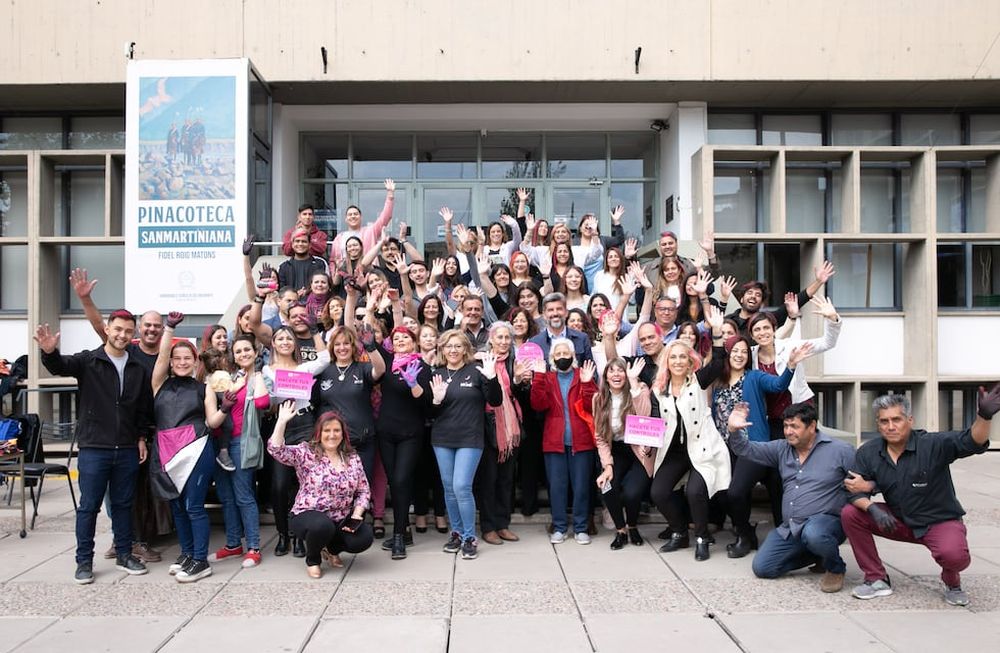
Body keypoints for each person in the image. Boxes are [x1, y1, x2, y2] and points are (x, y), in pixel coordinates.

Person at [841, 388, 999, 606]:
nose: (890, 426)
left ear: (910, 420)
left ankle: (951, 580)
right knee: (851, 513)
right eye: (884, 421)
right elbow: (853, 491)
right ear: (878, 424)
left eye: (896, 419)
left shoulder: (933, 444)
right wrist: (872, 508)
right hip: (897, 521)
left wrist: (985, 416)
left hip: (939, 522)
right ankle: (876, 579)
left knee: (955, 557)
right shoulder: (869, 452)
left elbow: (972, 441)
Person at [35, 311, 154, 584]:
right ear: (108, 329)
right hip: (94, 447)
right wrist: (49, 352)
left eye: (128, 331)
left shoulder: (138, 368)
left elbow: (142, 408)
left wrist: (140, 438)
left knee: (124, 505)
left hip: (126, 447)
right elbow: (60, 366)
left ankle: (125, 554)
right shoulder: (89, 360)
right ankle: (84, 561)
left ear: (133, 334)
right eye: (118, 329)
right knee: (88, 507)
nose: (122, 335)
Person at [724, 399, 855, 592]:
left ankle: (835, 567)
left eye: (794, 426)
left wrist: (862, 495)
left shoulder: (840, 450)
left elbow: (867, 479)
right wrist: (734, 430)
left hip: (826, 523)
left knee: (814, 533)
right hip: (792, 527)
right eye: (786, 426)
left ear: (812, 426)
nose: (788, 431)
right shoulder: (781, 448)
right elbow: (746, 449)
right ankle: (817, 554)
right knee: (763, 567)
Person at [708, 335, 813, 558]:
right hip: (725, 448)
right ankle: (745, 532)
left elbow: (778, 385)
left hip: (752, 446)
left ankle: (744, 536)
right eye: (735, 350)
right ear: (727, 354)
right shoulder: (718, 382)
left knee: (736, 492)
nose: (739, 355)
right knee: (724, 495)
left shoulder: (754, 377)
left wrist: (791, 365)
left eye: (744, 352)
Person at [150, 312, 228, 582]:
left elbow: (212, 420)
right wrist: (169, 329)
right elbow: (159, 357)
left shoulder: (203, 388)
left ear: (196, 362)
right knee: (177, 507)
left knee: (194, 506)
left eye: (188, 358)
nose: (182, 362)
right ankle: (187, 552)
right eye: (178, 358)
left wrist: (226, 408)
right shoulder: (159, 383)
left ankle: (200, 560)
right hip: (166, 451)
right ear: (171, 363)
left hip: (196, 449)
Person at [268, 403, 374, 578]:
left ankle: (332, 549)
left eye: (336, 431)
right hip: (308, 515)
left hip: (340, 518)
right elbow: (276, 450)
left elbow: (363, 490)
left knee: (364, 537)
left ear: (342, 434)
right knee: (321, 526)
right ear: (319, 433)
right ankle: (313, 559)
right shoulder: (306, 452)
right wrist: (281, 422)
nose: (332, 435)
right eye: (327, 431)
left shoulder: (352, 457)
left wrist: (356, 514)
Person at [649, 339, 731, 561]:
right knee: (659, 491)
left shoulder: (698, 381)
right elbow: (656, 421)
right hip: (674, 451)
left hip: (701, 447)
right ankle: (679, 531)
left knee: (695, 492)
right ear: (666, 361)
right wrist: (646, 440)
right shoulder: (658, 390)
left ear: (689, 362)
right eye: (673, 357)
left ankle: (702, 538)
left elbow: (718, 363)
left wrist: (716, 334)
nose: (677, 361)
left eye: (682, 357)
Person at [429, 330, 502, 560]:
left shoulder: (476, 371)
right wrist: (436, 401)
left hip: (470, 438)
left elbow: (495, 401)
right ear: (442, 349)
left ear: (465, 349)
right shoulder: (437, 373)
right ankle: (457, 533)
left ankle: (470, 536)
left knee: (461, 486)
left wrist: (492, 378)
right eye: (449, 346)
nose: (453, 350)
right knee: (449, 489)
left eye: (458, 346)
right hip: (442, 438)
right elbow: (430, 413)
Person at [263, 325, 331, 558]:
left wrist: (314, 333)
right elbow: (265, 402)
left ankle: (300, 534)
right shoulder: (266, 370)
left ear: (295, 344)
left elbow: (324, 359)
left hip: (305, 425)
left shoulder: (303, 368)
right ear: (273, 343)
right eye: (280, 338)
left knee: (305, 482)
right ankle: (283, 534)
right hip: (282, 425)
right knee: (280, 485)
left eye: (288, 338)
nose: (284, 342)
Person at [530, 340, 599, 545]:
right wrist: (539, 377)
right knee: (557, 487)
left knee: (581, 487)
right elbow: (538, 404)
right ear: (552, 358)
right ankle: (559, 527)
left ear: (573, 355)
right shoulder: (548, 378)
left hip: (582, 441)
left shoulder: (582, 375)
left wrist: (587, 383)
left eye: (565, 352)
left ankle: (581, 527)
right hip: (554, 441)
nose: (562, 356)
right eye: (557, 353)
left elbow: (592, 406)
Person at [210, 334, 270, 569]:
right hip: (220, 443)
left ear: (254, 353)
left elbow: (263, 404)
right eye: (238, 352)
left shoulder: (257, 378)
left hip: (242, 443)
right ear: (232, 356)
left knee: (244, 496)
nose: (243, 354)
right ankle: (234, 543)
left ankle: (253, 547)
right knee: (226, 496)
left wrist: (257, 376)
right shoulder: (230, 378)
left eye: (247, 350)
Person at [372, 325, 431, 560]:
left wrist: (413, 384)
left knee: (401, 480)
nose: (400, 341)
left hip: (410, 433)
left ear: (413, 341)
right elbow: (368, 344)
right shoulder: (386, 362)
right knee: (394, 482)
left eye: (405, 337)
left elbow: (427, 403)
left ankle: (398, 536)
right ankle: (404, 529)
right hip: (386, 431)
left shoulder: (421, 365)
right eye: (396, 338)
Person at [475, 322, 529, 545]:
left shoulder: (516, 362)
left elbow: (523, 396)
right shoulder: (480, 361)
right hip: (487, 425)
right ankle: (488, 527)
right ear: (491, 339)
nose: (504, 342)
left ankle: (502, 524)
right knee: (488, 479)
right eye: (500, 338)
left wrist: (517, 380)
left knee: (507, 479)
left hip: (511, 426)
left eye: (508, 337)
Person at [592, 358, 653, 550]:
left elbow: (645, 416)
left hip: (638, 449)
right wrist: (607, 465)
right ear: (606, 376)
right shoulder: (599, 399)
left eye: (620, 371)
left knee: (632, 493)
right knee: (608, 486)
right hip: (615, 450)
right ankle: (621, 530)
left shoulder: (639, 391)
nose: (616, 375)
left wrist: (634, 383)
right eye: (612, 371)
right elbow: (600, 436)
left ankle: (632, 525)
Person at [330, 178, 396, 261]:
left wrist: (390, 195)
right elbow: (333, 260)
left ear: (361, 217)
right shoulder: (339, 238)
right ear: (346, 219)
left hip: (367, 272)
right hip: (345, 273)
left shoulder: (370, 231)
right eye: (350, 215)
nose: (353, 216)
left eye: (356, 214)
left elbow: (385, 217)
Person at [528, 292, 594, 367]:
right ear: (544, 315)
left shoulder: (582, 338)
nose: (555, 313)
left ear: (566, 313)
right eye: (550, 310)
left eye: (559, 309)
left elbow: (591, 370)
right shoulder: (535, 343)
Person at [278, 230, 329, 299]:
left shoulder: (320, 263)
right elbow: (281, 291)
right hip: (291, 306)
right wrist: (295, 295)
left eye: (304, 241)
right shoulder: (284, 267)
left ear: (310, 245)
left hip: (316, 305)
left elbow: (327, 286)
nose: (300, 244)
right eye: (297, 241)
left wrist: (308, 291)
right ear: (292, 244)